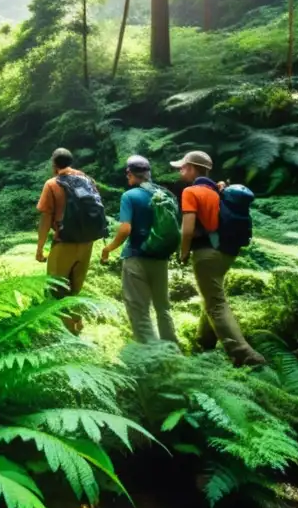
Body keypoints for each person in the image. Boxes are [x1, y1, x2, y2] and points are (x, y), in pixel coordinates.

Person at [172, 150, 266, 367]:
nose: (180, 170)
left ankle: (245, 354)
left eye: (183, 167)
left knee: (216, 303)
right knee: (212, 295)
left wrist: (183, 252)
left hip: (206, 254)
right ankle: (204, 342)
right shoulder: (219, 191)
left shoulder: (192, 191)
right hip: (226, 253)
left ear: (194, 168)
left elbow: (187, 230)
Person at [101, 155, 178, 344]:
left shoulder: (130, 196)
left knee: (138, 307)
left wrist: (108, 249)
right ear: (148, 173)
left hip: (136, 258)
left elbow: (125, 229)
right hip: (161, 257)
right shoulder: (165, 195)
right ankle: (172, 348)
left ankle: (149, 353)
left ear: (129, 173)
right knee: (163, 307)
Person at [36, 148, 107, 333]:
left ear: (54, 164)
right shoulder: (88, 180)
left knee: (57, 291)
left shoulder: (52, 184)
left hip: (64, 243)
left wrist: (40, 248)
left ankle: (65, 334)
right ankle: (77, 326)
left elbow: (45, 219)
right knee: (75, 290)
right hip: (87, 243)